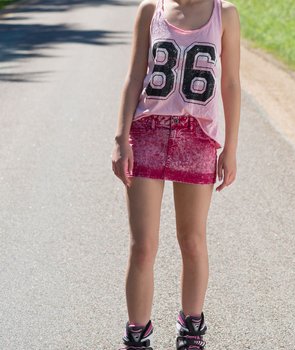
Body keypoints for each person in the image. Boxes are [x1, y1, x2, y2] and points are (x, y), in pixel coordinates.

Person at [111, 0, 241, 348]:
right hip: (147, 133)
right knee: (143, 246)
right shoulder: (150, 9)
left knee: (193, 240)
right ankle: (137, 335)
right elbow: (134, 75)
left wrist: (230, 148)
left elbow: (230, 83)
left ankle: (191, 330)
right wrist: (121, 138)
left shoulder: (223, 13)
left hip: (198, 137)